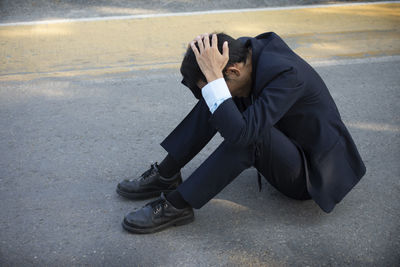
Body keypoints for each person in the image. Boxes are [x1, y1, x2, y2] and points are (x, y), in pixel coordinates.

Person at [116, 32, 366, 234]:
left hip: (310, 174)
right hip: (286, 141)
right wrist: (209, 72)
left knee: (245, 131)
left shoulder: (288, 75)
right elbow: (217, 94)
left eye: (225, 74)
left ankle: (177, 205)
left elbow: (243, 135)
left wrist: (214, 81)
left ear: (234, 71)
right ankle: (166, 175)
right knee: (215, 96)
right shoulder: (246, 53)